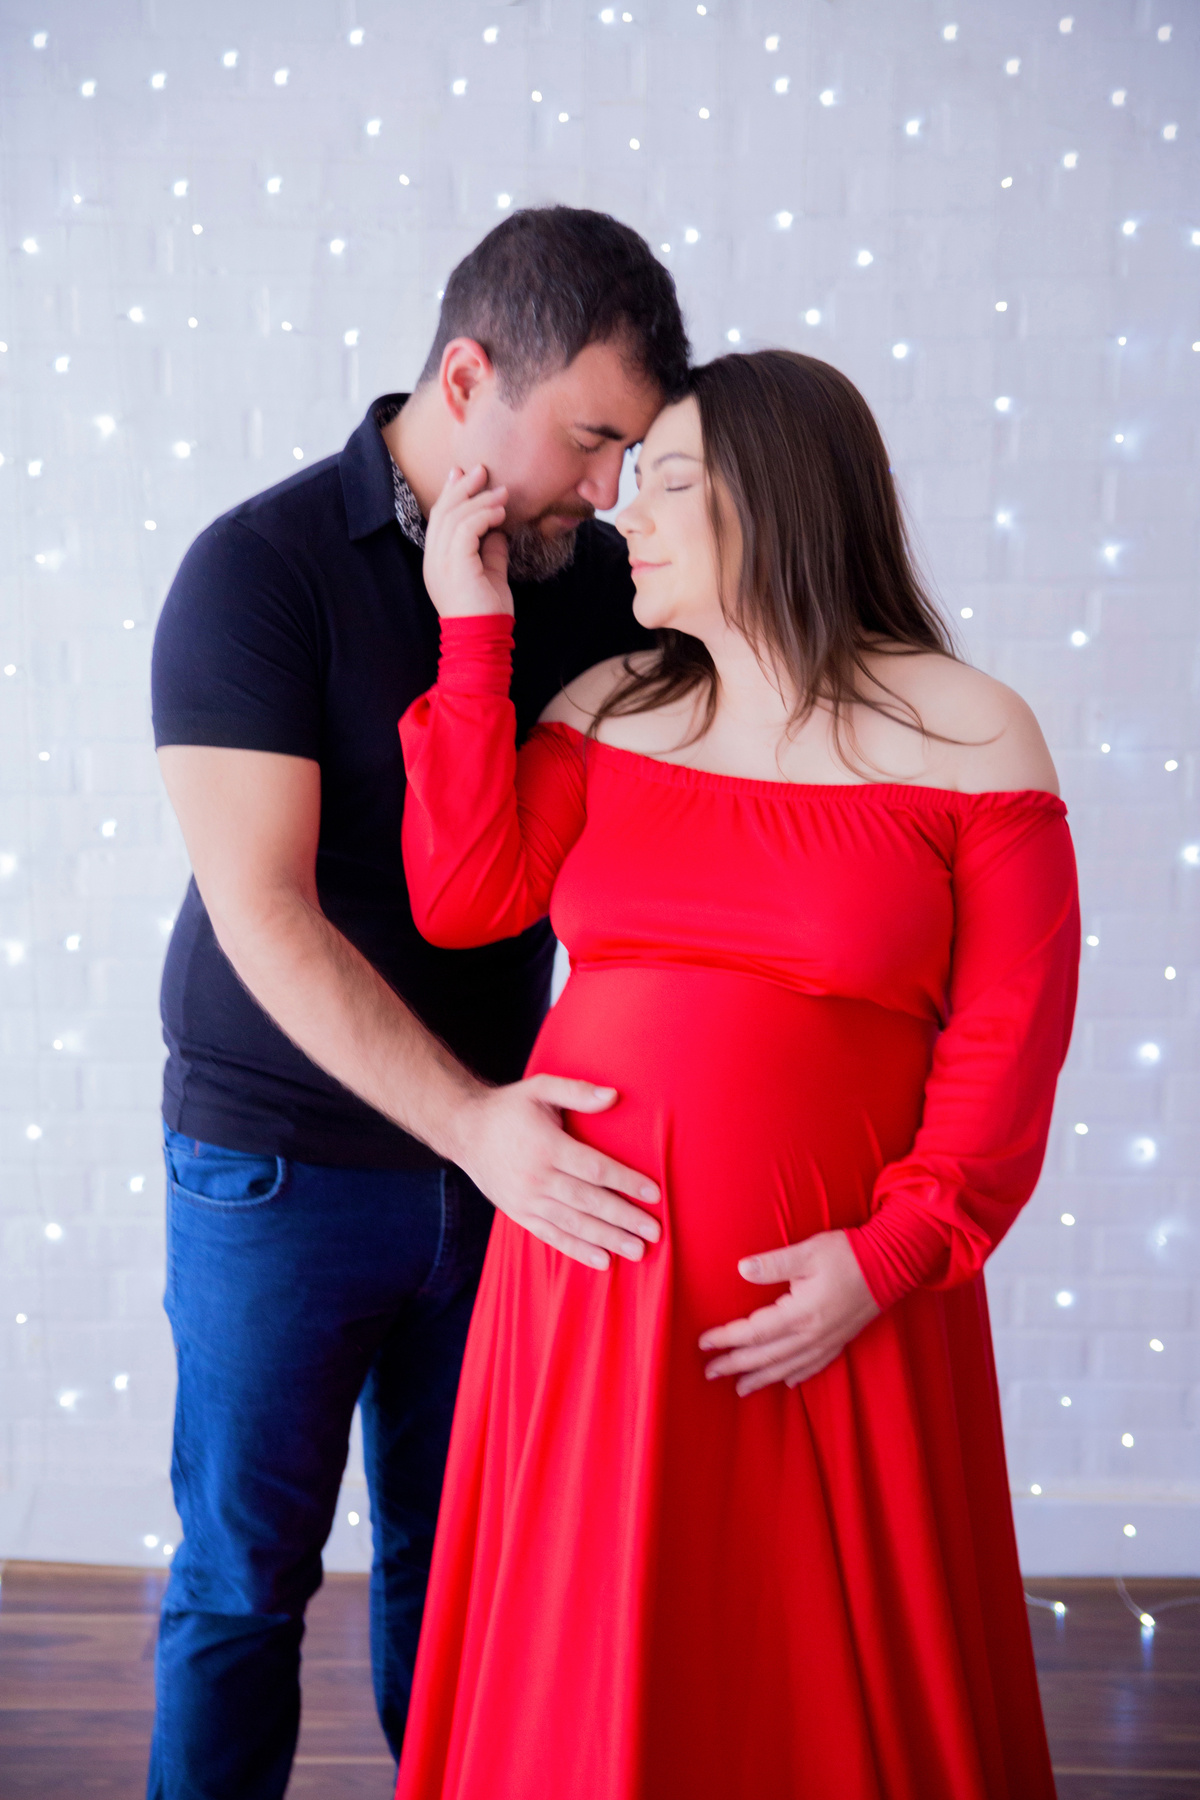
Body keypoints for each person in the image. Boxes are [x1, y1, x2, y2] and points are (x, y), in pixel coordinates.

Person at [394, 350, 1080, 1799]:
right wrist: (473, 635)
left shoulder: (969, 731)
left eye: (672, 484)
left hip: (836, 1300)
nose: (629, 516)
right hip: (588, 1288)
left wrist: (888, 1260)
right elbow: (462, 896)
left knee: (823, 1681)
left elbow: (1007, 1042)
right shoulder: (604, 709)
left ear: (779, 504)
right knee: (584, 1670)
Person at [146, 207, 689, 1800]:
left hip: (506, 1161)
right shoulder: (256, 571)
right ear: (467, 375)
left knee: (466, 1584)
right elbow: (263, 908)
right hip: (279, 1167)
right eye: (594, 438)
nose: (608, 489)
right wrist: (475, 1125)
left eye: (634, 453)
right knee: (246, 1583)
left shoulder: (586, 582)